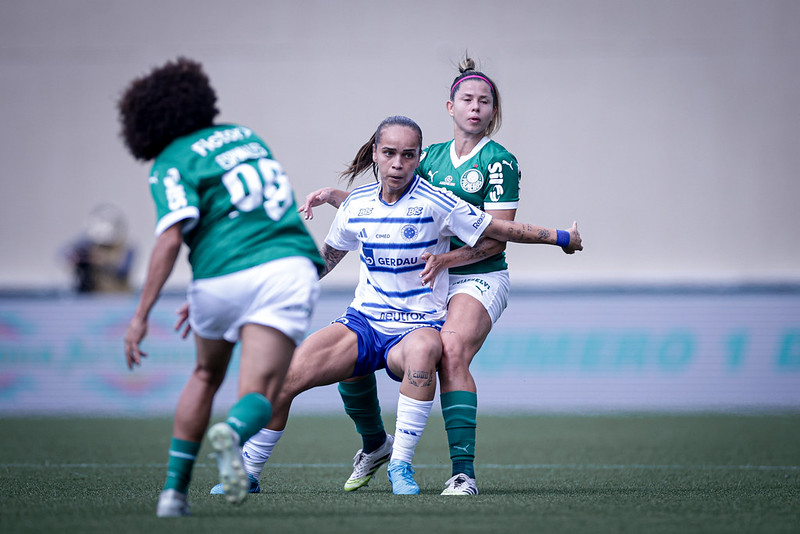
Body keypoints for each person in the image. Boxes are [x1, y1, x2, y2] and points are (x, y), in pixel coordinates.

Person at [207, 115, 581, 496]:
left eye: (407, 155)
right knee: (286, 376)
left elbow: (500, 230)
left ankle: (400, 466)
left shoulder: (439, 203)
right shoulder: (356, 204)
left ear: (419, 158)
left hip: (417, 327)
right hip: (364, 324)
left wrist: (561, 237)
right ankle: (247, 473)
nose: (398, 163)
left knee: (425, 351)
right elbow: (328, 258)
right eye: (389, 153)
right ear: (375, 154)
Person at [299, 57, 536, 495]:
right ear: (450, 106)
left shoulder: (500, 162)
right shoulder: (427, 157)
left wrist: (449, 260)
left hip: (479, 273)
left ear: (493, 112)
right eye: (467, 98)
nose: (475, 107)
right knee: (356, 354)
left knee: (450, 351)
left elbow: (496, 239)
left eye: (485, 101)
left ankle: (462, 474)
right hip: (434, 278)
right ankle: (375, 445)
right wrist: (339, 198)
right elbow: (394, 204)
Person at [117, 57, 324, 517]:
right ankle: (231, 433)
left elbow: (171, 237)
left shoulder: (170, 162)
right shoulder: (246, 137)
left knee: (205, 375)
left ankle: (173, 495)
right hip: (284, 268)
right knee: (261, 392)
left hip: (218, 277)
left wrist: (141, 314)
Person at [61, 203, 135, 293]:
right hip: (90, 295)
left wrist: (102, 260)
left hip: (116, 296)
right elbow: (64, 253)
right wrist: (79, 259)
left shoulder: (127, 248)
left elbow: (123, 270)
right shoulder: (88, 244)